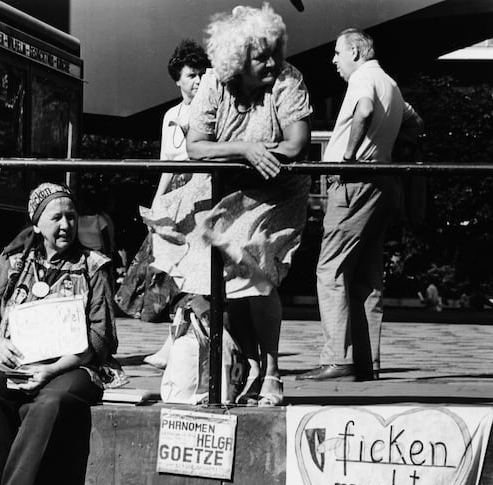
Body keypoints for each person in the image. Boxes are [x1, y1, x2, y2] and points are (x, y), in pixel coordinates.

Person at [147, 3, 313, 406]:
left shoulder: (288, 81)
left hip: (274, 192)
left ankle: (271, 370)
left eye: (276, 51)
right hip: (224, 190)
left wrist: (255, 155)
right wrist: (245, 149)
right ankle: (246, 364)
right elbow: (196, 145)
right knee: (217, 274)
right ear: (238, 60)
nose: (272, 61)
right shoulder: (214, 84)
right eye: (261, 56)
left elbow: (296, 143)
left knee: (254, 272)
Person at [0, 182, 117, 485]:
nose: (65, 224)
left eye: (71, 216)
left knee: (49, 402)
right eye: (56, 217)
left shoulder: (94, 266)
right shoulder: (13, 261)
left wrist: (52, 370)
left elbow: (99, 338)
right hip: (18, 362)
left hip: (72, 367)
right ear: (36, 223)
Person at [297, 28, 424, 382]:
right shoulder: (391, 84)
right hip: (383, 183)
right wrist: (387, 142)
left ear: (355, 50)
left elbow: (364, 109)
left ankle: (338, 358)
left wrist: (349, 156)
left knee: (331, 269)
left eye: (338, 53)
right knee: (368, 277)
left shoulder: (363, 79)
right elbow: (417, 124)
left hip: (355, 182)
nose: (334, 61)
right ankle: (367, 363)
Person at [115, 39, 211, 367]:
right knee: (164, 271)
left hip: (202, 195)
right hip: (175, 198)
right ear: (178, 80)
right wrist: (157, 207)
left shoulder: (211, 109)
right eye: (192, 75)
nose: (198, 80)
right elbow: (168, 165)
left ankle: (178, 344)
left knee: (189, 272)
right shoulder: (171, 114)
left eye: (201, 74)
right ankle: (172, 341)